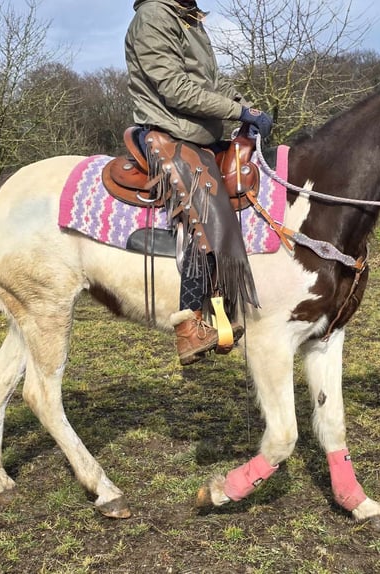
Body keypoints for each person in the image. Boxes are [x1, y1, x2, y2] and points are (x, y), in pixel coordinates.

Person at [124, 0, 274, 365]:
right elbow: (174, 87)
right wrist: (236, 112)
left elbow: (212, 83)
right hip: (169, 131)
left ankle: (224, 307)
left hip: (198, 135)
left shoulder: (188, 18)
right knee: (200, 206)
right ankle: (189, 326)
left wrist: (247, 106)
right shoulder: (154, 16)